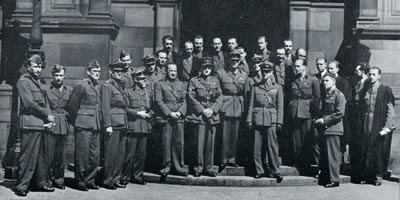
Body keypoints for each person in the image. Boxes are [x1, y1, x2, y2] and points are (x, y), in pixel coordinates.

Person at [15, 54, 55, 196]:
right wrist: (46, 114)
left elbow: (45, 101)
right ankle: (22, 186)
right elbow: (29, 104)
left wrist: (49, 118)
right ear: (28, 66)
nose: (38, 69)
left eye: (40, 66)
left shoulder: (38, 81)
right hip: (30, 123)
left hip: (40, 124)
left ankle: (40, 183)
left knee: (41, 157)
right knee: (28, 156)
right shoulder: (24, 81)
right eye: (35, 66)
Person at [246, 62, 284, 183]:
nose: (265, 74)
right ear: (261, 72)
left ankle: (275, 171)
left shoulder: (277, 87)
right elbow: (251, 104)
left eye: (268, 71)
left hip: (271, 119)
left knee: (272, 146)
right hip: (257, 118)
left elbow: (280, 106)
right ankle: (259, 170)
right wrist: (249, 119)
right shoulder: (255, 87)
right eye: (263, 72)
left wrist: (279, 121)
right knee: (256, 147)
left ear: (272, 72)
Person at [68, 60, 102, 191]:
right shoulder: (81, 85)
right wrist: (75, 122)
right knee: (82, 155)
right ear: (88, 72)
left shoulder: (98, 86)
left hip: (95, 124)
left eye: (98, 72)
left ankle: (90, 180)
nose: (97, 74)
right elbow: (72, 106)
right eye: (94, 72)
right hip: (83, 123)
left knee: (95, 155)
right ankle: (80, 181)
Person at [187, 57, 223, 177]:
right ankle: (198, 167)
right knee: (199, 143)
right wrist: (203, 110)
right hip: (200, 116)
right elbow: (191, 97)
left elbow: (220, 96)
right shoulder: (194, 81)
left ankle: (209, 168)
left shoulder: (215, 80)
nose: (207, 69)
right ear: (200, 68)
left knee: (210, 144)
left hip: (212, 116)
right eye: (204, 67)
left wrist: (212, 110)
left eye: (209, 67)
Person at [359, 66, 395, 186]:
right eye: (370, 74)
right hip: (366, 122)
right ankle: (366, 175)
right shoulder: (365, 90)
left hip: (378, 123)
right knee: (366, 148)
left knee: (378, 150)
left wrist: (387, 126)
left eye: (374, 74)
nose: (371, 77)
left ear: (379, 76)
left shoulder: (385, 90)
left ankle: (377, 176)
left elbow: (390, 110)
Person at [154, 63, 188, 181]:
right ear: (166, 72)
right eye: (170, 70)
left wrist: (180, 112)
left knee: (179, 143)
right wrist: (169, 113)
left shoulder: (181, 84)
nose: (173, 73)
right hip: (167, 117)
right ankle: (166, 166)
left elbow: (184, 100)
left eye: (175, 70)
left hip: (178, 117)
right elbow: (159, 101)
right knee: (166, 143)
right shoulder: (160, 84)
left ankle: (178, 167)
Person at [43, 64, 72, 190]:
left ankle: (59, 180)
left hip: (64, 124)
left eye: (61, 75)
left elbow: (72, 107)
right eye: (56, 75)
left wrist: (69, 118)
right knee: (49, 155)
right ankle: (48, 180)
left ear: (64, 75)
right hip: (52, 123)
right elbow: (45, 107)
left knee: (61, 156)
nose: (59, 78)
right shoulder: (46, 89)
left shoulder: (69, 90)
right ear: (52, 76)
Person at [217, 50, 248, 169]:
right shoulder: (221, 73)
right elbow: (218, 92)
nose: (234, 63)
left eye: (237, 61)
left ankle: (232, 158)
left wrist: (243, 108)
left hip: (238, 106)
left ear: (239, 61)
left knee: (235, 135)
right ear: (228, 61)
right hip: (226, 105)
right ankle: (223, 159)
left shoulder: (244, 74)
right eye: (232, 60)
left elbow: (245, 93)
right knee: (224, 135)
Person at [314, 73, 346, 188]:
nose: (324, 83)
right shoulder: (325, 95)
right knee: (324, 154)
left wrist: (324, 120)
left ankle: (334, 179)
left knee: (333, 155)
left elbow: (339, 113)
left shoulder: (339, 95)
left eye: (327, 81)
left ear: (333, 82)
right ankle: (326, 176)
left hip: (334, 128)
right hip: (325, 129)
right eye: (323, 81)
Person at [288, 59, 320, 175]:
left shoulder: (312, 80)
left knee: (307, 139)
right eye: (294, 66)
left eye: (297, 66)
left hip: (307, 113)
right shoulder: (293, 80)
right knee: (296, 140)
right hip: (295, 111)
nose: (295, 68)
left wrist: (314, 113)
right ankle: (298, 163)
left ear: (304, 67)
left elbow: (317, 98)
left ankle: (306, 164)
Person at [123, 68, 154, 185]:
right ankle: (125, 176)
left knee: (141, 155)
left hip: (145, 125)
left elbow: (153, 107)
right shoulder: (128, 91)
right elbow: (125, 108)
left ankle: (138, 176)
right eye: (141, 79)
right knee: (129, 154)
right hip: (133, 125)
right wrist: (137, 113)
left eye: (145, 78)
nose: (144, 80)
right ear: (135, 79)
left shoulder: (148, 92)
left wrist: (149, 115)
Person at [100, 61, 128, 190]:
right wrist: (107, 124)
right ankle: (108, 179)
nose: (119, 73)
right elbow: (105, 106)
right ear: (111, 72)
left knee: (120, 154)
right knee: (111, 153)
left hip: (122, 122)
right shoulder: (107, 86)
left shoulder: (120, 85)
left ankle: (116, 178)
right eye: (117, 71)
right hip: (113, 123)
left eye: (121, 71)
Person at [349, 63, 369, 183]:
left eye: (357, 70)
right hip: (356, 114)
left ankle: (361, 173)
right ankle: (356, 172)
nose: (355, 72)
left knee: (361, 144)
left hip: (362, 115)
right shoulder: (358, 82)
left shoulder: (366, 83)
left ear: (361, 71)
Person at [327, 61, 351, 155]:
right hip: (329, 113)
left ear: (337, 69)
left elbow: (346, 97)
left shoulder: (343, 81)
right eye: (328, 68)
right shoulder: (326, 80)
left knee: (340, 140)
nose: (329, 70)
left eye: (332, 68)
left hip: (339, 112)